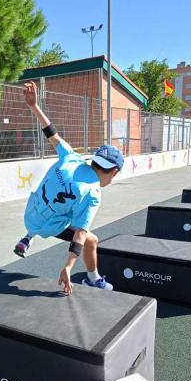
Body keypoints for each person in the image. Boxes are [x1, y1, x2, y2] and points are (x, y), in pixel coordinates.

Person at [14, 81, 124, 295]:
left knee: (56, 201)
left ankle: (28, 236)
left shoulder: (72, 157)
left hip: (29, 214)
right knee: (91, 239)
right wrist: (68, 267)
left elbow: (51, 133)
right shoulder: (92, 194)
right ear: (113, 172)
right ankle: (93, 279)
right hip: (47, 226)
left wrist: (33, 106)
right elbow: (80, 235)